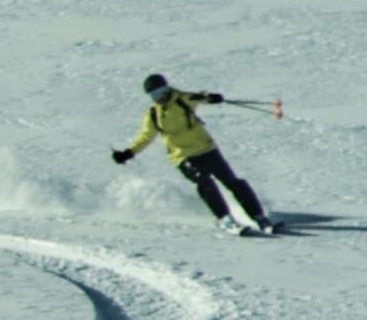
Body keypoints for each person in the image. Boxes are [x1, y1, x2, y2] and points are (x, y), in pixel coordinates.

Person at [114, 72, 274, 234]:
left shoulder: (182, 99)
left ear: (167, 88)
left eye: (161, 91)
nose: (159, 97)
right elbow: (146, 137)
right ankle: (225, 219)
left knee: (232, 181)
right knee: (204, 182)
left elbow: (200, 97)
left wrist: (211, 98)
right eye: (154, 94)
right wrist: (128, 153)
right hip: (182, 156)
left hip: (206, 149)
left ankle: (259, 217)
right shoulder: (153, 114)